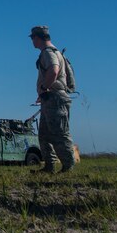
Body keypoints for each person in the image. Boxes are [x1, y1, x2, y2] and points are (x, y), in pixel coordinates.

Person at [31, 25, 75, 173]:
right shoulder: (54, 52)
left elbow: (54, 70)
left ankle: (68, 167)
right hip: (49, 98)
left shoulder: (48, 53)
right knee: (44, 135)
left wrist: (44, 88)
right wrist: (42, 94)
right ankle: (49, 166)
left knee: (59, 133)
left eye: (32, 38)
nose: (32, 41)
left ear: (37, 37)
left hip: (55, 98)